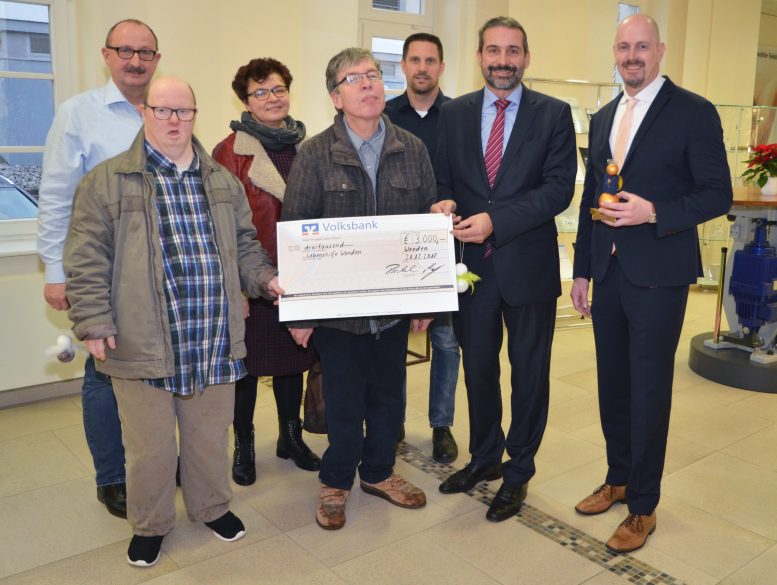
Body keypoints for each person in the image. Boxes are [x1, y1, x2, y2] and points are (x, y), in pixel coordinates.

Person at [63, 77, 282, 567]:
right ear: (145, 113)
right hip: (142, 338)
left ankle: (211, 508)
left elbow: (245, 245)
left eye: (184, 111)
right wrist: (94, 320)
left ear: (195, 115)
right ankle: (151, 525)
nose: (174, 120)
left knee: (209, 436)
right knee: (151, 447)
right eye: (162, 110)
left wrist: (265, 278)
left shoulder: (221, 181)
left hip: (213, 334)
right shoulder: (105, 181)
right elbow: (86, 258)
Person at [570, 14, 732, 553]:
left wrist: (654, 211)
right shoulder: (603, 116)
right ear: (614, 53)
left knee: (647, 389)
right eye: (623, 47)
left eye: (641, 46)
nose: (631, 56)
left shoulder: (693, 112)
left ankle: (643, 505)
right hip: (609, 271)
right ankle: (617, 478)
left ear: (659, 50)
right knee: (612, 384)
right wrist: (582, 269)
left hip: (660, 274)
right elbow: (592, 197)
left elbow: (716, 194)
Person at [281, 47, 435, 530]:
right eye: (354, 78)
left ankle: (379, 473)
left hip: (393, 307)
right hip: (338, 314)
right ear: (336, 96)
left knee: (389, 399)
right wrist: (300, 313)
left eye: (373, 74)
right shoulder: (315, 154)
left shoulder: (412, 148)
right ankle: (335, 480)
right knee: (344, 403)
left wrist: (426, 298)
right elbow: (295, 231)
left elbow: (427, 223)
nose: (368, 84)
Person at [433, 16, 576, 522]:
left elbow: (558, 190)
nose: (502, 60)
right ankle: (485, 457)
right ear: (479, 57)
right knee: (478, 369)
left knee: (529, 375)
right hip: (470, 270)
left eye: (512, 51)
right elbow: (443, 178)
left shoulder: (554, 114)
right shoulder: (455, 114)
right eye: (493, 50)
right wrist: (444, 201)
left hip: (528, 267)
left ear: (526, 57)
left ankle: (518, 473)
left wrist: (497, 221)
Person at [36, 18, 161, 519]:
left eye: (145, 52)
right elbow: (55, 194)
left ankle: (155, 462)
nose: (136, 61)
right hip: (105, 269)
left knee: (158, 369)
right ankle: (111, 476)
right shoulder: (79, 113)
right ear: (106, 55)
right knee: (104, 371)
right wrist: (55, 270)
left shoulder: (165, 108)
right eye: (125, 51)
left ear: (157, 59)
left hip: (164, 271)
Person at [213, 58, 319, 485]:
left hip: (298, 276)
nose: (272, 98)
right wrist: (238, 288)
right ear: (245, 101)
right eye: (260, 92)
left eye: (278, 89)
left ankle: (291, 438)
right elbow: (222, 227)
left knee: (293, 361)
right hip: (253, 278)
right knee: (248, 369)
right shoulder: (229, 152)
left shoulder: (307, 146)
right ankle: (245, 445)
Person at [384, 33, 459, 464]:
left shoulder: (460, 115)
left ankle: (441, 424)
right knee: (393, 341)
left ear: (441, 67)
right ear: (404, 66)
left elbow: (468, 174)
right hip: (396, 247)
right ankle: (391, 422)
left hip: (443, 245)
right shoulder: (383, 115)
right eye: (415, 60)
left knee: (446, 342)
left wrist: (451, 203)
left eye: (431, 60)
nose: (422, 68)